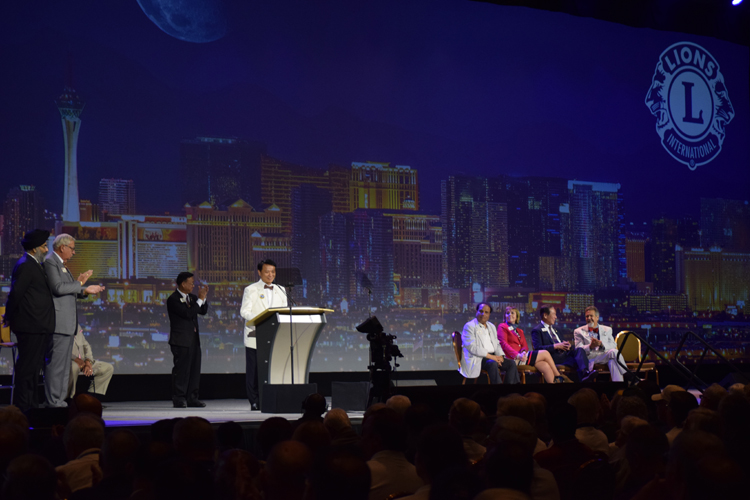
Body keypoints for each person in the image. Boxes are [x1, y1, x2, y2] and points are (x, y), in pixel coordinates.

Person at [43, 234, 104, 408]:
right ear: (62, 247)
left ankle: (60, 400)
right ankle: (53, 401)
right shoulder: (50, 262)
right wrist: (80, 284)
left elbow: (68, 290)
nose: (74, 252)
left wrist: (85, 290)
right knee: (56, 365)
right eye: (72, 248)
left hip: (67, 324)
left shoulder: (61, 264)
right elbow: (57, 288)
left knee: (64, 367)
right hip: (58, 322)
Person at [3, 229, 55, 412]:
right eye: (44, 246)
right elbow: (16, 293)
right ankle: (24, 408)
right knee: (27, 368)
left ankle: (32, 406)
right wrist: (8, 316)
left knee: (33, 369)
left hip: (38, 326)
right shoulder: (25, 265)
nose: (46, 249)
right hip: (30, 326)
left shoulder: (33, 264)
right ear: (34, 248)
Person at [240, 259, 288, 411]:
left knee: (272, 369)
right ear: (259, 272)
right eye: (267, 272)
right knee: (254, 371)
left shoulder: (281, 290)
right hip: (255, 336)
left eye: (273, 272)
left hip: (274, 336)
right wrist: (262, 319)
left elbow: (284, 311)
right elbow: (244, 312)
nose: (270, 274)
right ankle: (254, 400)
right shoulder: (251, 289)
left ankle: (271, 398)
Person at [166, 272, 209, 408]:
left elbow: (202, 311)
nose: (193, 286)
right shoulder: (173, 299)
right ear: (183, 284)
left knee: (194, 370)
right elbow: (187, 313)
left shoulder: (192, 298)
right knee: (181, 370)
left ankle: (192, 398)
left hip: (194, 340)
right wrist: (200, 300)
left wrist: (203, 298)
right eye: (191, 283)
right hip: (180, 341)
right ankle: (179, 398)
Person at [498, 306, 568, 384]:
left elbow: (525, 346)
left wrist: (523, 352)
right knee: (545, 353)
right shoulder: (502, 326)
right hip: (512, 358)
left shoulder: (520, 331)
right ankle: (558, 375)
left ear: (517, 316)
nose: (510, 315)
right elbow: (504, 344)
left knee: (545, 365)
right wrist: (518, 355)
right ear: (505, 316)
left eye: (512, 313)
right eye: (507, 313)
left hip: (523, 357)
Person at [459, 303, 520, 385]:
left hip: (493, 356)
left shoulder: (491, 326)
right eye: (481, 311)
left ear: (489, 314)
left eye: (486, 312)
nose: (483, 314)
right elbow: (472, 348)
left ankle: (509, 390)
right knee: (492, 363)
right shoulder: (469, 326)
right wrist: (493, 357)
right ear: (476, 312)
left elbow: (497, 344)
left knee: (511, 363)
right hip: (478, 358)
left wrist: (500, 357)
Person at [530, 305, 591, 382]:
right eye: (554, 314)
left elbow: (563, 343)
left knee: (579, 350)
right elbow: (538, 349)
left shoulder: (557, 329)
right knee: (579, 362)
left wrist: (567, 346)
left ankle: (585, 373)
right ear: (545, 315)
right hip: (553, 358)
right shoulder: (537, 330)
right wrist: (555, 346)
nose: (556, 317)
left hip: (565, 355)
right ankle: (584, 379)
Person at [573, 306, 633, 383]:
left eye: (591, 316)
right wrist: (590, 346)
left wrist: (601, 345)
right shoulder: (578, 331)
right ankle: (628, 375)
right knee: (613, 358)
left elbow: (613, 345)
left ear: (597, 317)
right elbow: (578, 348)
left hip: (604, 355)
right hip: (590, 358)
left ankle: (619, 385)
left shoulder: (607, 329)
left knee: (613, 354)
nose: (589, 318)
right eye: (587, 316)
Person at [67, 326, 114, 399]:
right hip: (70, 361)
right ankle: (70, 398)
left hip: (84, 362)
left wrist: (88, 362)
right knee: (73, 367)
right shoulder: (61, 329)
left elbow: (87, 347)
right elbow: (62, 351)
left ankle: (91, 397)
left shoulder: (77, 327)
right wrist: (76, 359)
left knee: (108, 368)